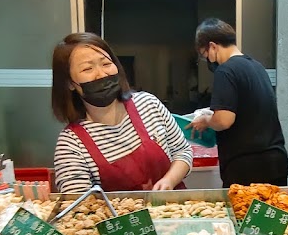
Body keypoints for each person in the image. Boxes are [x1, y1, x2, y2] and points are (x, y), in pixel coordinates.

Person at [52, 33, 192, 193]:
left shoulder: (148, 104)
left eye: (106, 63)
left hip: (175, 213)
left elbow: (182, 151)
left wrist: (169, 180)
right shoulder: (71, 145)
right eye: (88, 68)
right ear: (70, 83)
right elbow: (79, 206)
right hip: (118, 218)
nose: (102, 74)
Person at [188, 18, 288, 187]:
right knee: (271, 212)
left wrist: (207, 121)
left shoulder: (226, 71)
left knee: (243, 212)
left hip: (247, 166)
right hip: (275, 160)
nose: (209, 61)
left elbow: (224, 120)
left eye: (206, 56)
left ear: (213, 46)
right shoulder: (257, 67)